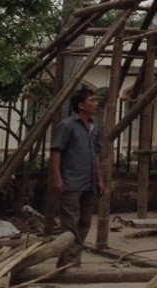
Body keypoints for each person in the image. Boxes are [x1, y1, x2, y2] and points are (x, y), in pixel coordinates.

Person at [50, 87, 103, 268]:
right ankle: (71, 265)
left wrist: (99, 179)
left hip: (89, 184)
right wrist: (57, 178)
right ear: (81, 105)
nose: (96, 104)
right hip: (71, 183)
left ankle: (67, 262)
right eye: (92, 100)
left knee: (84, 223)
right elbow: (56, 152)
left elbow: (95, 154)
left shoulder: (94, 127)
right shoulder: (66, 126)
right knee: (70, 225)